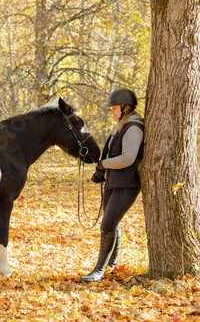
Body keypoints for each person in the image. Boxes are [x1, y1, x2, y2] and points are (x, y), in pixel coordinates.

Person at [79, 88, 144, 283]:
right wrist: (102, 171)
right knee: (111, 221)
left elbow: (128, 158)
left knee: (108, 223)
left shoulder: (133, 126)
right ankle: (112, 264)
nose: (112, 111)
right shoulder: (121, 125)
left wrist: (103, 164)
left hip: (127, 184)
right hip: (114, 181)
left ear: (125, 108)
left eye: (114, 108)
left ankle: (99, 270)